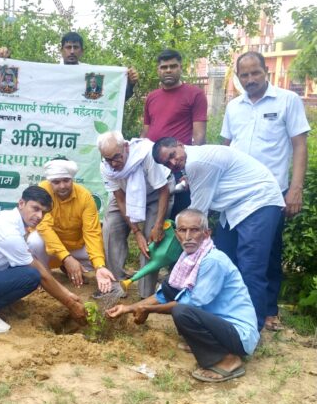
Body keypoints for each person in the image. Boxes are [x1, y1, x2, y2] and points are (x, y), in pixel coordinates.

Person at [106, 209, 259, 383]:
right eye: (182, 230)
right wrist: (128, 308)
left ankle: (227, 360)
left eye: (194, 230)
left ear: (206, 233)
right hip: (219, 326)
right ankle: (207, 344)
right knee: (172, 290)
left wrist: (147, 308)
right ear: (176, 233)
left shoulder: (212, 260)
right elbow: (165, 294)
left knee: (183, 311)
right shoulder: (188, 258)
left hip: (239, 336)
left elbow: (191, 305)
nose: (188, 236)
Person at [152, 138, 285, 330]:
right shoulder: (190, 164)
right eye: (167, 163)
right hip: (234, 207)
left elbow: (197, 214)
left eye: (172, 156)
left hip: (258, 201)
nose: (172, 163)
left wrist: (179, 242)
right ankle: (225, 319)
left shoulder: (197, 161)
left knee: (250, 267)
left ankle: (250, 329)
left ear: (180, 145)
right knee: (221, 259)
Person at [221, 51, 310, 331]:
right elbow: (224, 148)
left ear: (266, 72)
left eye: (255, 73)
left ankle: (262, 315)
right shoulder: (234, 106)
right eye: (244, 75)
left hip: (269, 194)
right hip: (234, 194)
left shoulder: (288, 100)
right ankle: (231, 309)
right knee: (227, 252)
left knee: (263, 256)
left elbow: (299, 145)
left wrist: (295, 188)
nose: (250, 79)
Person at [0, 186, 87, 333]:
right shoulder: (9, 232)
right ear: (21, 203)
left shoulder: (9, 218)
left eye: (44, 212)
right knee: (31, 276)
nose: (39, 216)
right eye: (35, 208)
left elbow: (31, 258)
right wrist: (70, 303)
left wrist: (66, 293)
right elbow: (39, 272)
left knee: (27, 268)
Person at [98, 131, 173, 298]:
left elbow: (163, 190)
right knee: (110, 229)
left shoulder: (147, 154)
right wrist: (135, 231)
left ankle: (146, 294)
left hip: (157, 194)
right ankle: (118, 284)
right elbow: (120, 200)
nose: (113, 163)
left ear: (125, 147)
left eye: (117, 157)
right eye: (108, 159)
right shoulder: (106, 166)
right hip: (125, 195)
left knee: (151, 239)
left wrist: (158, 226)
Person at [26, 159, 116, 292]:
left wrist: (99, 266)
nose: (62, 186)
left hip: (75, 246)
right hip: (50, 249)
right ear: (50, 182)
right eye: (56, 182)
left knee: (103, 256)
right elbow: (44, 227)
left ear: (72, 179)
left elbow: (91, 233)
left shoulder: (84, 197)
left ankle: (71, 267)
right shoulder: (43, 191)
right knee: (34, 240)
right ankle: (44, 276)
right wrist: (67, 258)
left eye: (66, 180)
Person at [142, 49, 208, 218]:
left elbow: (199, 135)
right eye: (164, 67)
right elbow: (146, 131)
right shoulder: (152, 97)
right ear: (158, 70)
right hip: (154, 164)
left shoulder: (195, 94)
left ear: (181, 67)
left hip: (178, 166)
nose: (168, 70)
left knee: (178, 216)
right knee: (155, 215)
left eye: (173, 66)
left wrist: (188, 171)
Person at [59, 31, 139, 100]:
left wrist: (130, 83)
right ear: (61, 50)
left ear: (82, 51)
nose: (72, 51)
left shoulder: (92, 74)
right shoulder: (52, 75)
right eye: (68, 47)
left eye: (75, 47)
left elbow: (114, 101)